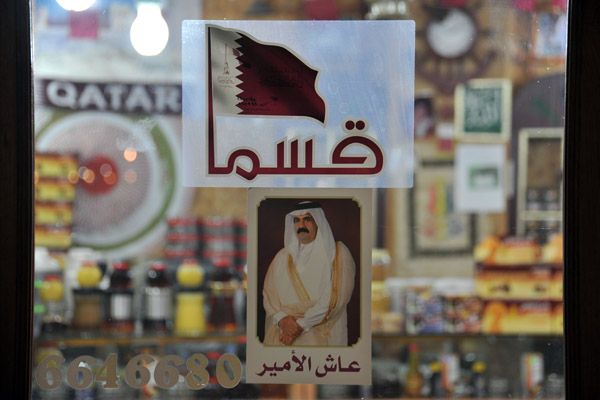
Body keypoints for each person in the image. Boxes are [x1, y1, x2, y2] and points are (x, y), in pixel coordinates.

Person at [262, 201, 356, 346]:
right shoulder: (282, 256)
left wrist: (299, 326)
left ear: (318, 222)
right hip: (283, 332)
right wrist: (282, 320)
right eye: (297, 220)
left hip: (320, 334)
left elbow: (335, 299)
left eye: (307, 219)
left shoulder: (337, 253)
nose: (301, 226)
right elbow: (269, 295)